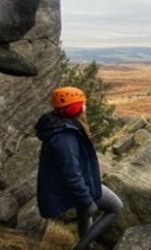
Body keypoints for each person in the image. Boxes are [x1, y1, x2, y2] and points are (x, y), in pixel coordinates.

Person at [35, 86, 123, 250]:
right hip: (76, 185)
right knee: (115, 207)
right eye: (82, 104)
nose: (85, 107)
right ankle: (82, 247)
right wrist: (86, 199)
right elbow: (71, 175)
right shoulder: (65, 137)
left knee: (84, 211)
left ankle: (85, 245)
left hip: (80, 182)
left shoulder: (64, 127)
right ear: (74, 108)